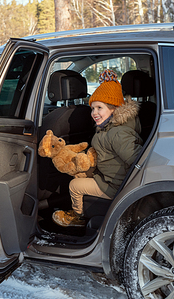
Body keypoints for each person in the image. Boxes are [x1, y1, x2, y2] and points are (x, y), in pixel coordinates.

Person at [52, 69, 143, 227]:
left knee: (74, 186)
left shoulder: (117, 134)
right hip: (110, 178)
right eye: (93, 108)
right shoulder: (111, 128)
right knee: (79, 175)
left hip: (115, 186)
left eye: (99, 108)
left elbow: (138, 160)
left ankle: (77, 217)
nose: (94, 113)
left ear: (114, 109)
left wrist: (128, 191)